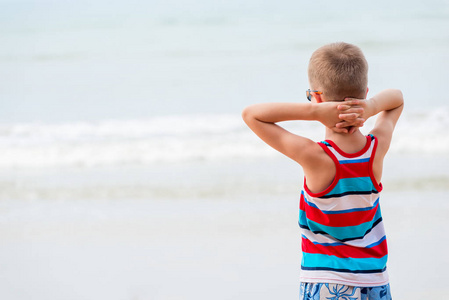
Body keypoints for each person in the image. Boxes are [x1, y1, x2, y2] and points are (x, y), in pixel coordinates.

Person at [241, 42, 404, 300]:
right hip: (375, 281)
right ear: (365, 92)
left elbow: (252, 115)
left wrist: (314, 112)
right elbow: (396, 99)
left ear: (316, 98)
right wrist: (370, 106)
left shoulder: (315, 156)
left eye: (311, 99)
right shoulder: (376, 147)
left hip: (327, 282)